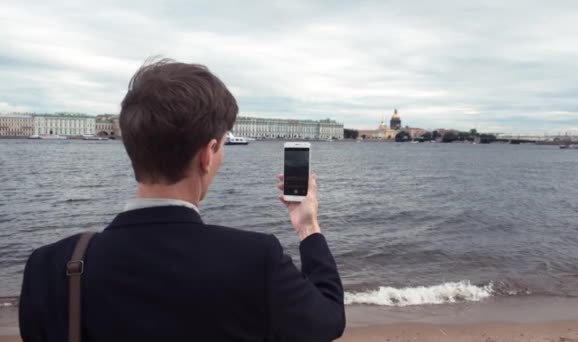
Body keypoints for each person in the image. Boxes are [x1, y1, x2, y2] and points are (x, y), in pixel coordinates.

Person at [19, 59, 345, 342]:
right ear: (207, 154)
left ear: (133, 146)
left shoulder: (49, 267)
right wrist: (308, 227)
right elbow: (328, 321)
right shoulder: (256, 260)